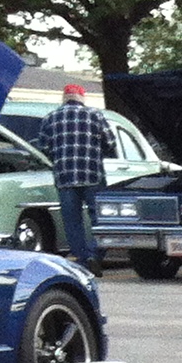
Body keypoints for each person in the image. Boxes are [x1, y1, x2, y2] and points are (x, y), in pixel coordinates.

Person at [39, 83, 117, 273]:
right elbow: (110, 142)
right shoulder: (95, 115)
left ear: (64, 97)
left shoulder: (50, 118)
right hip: (93, 175)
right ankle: (94, 254)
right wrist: (99, 153)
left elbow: (43, 147)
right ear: (82, 97)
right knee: (101, 218)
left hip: (64, 177)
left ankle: (82, 260)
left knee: (72, 221)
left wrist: (58, 157)